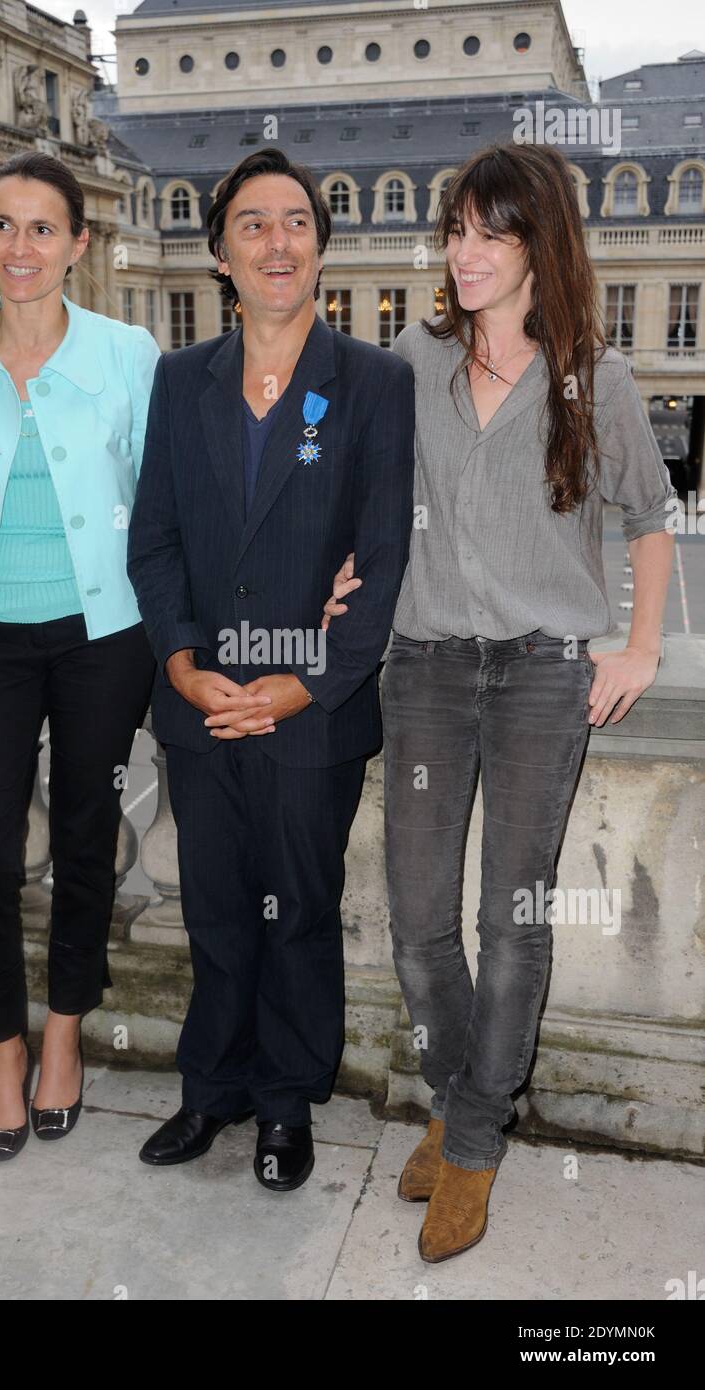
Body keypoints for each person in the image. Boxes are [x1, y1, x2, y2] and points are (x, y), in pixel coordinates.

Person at [322, 141, 676, 1257]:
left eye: (491, 233)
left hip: (537, 674)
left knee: (508, 919)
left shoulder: (592, 378)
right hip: (422, 668)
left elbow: (649, 517)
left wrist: (637, 646)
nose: (464, 253)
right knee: (419, 922)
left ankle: (471, 1144)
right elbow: (367, 495)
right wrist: (343, 572)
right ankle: (454, 1098)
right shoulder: (409, 361)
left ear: (539, 246)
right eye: (457, 231)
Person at [127, 148, 415, 1191]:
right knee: (213, 905)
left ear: (320, 250)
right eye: (252, 224)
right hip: (200, 701)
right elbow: (152, 539)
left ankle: (285, 1101)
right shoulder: (177, 380)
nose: (276, 241)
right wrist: (183, 663)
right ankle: (212, 1088)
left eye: (294, 221)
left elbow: (381, 557)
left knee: (293, 906)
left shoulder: (374, 382)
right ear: (219, 254)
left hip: (310, 710)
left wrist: (305, 681)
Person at [0, 152, 159, 1161]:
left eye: (42, 228)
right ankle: (1, 1049)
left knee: (87, 839)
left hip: (103, 637)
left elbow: (147, 497)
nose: (21, 248)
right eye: (3, 226)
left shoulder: (128, 353)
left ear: (77, 243)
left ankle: (64, 1037)